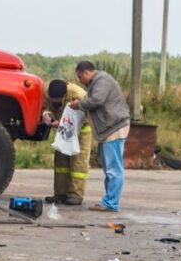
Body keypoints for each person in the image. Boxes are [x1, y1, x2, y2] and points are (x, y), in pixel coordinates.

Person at [70, 60, 131, 212]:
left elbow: (97, 100)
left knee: (114, 169)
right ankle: (108, 201)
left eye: (79, 76)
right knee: (109, 169)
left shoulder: (102, 80)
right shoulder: (95, 83)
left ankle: (111, 203)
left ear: (86, 73)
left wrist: (79, 105)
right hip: (108, 130)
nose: (79, 80)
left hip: (114, 128)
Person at [43, 79, 91, 205]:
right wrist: (47, 116)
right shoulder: (47, 93)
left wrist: (66, 121)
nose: (55, 102)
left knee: (78, 164)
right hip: (63, 130)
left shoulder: (79, 94)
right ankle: (60, 194)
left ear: (64, 95)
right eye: (53, 100)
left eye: (58, 100)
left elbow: (89, 111)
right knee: (61, 164)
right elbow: (46, 107)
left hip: (81, 130)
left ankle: (75, 195)